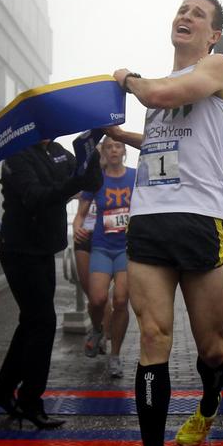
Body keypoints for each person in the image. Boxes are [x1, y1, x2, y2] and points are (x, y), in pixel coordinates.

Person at [105, 0, 223, 446]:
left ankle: (208, 403)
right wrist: (121, 134)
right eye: (182, 10)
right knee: (154, 338)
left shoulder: (217, 68)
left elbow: (158, 94)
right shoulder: (164, 89)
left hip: (201, 221)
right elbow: (163, 140)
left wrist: (126, 79)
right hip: (150, 222)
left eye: (198, 14)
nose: (186, 16)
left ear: (213, 34)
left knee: (213, 350)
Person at [0, 140, 102, 429]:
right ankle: (29, 400)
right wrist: (75, 181)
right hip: (19, 249)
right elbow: (35, 196)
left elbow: (91, 183)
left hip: (44, 248)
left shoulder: (58, 152)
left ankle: (2, 390)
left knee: (31, 323)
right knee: (43, 322)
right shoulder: (16, 155)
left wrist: (90, 153)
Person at [73, 137, 135, 377]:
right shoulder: (96, 179)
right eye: (109, 146)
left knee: (120, 300)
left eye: (118, 146)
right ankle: (98, 330)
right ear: (104, 152)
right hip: (101, 246)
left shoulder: (135, 177)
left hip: (126, 249)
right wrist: (77, 227)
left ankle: (115, 356)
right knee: (97, 299)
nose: (113, 150)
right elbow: (81, 214)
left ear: (124, 150)